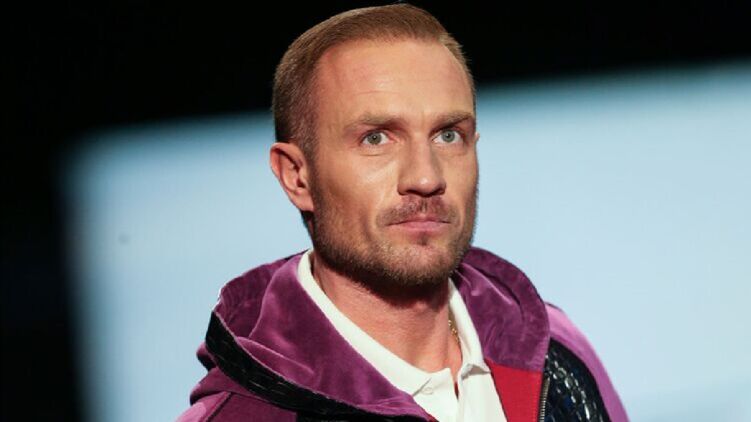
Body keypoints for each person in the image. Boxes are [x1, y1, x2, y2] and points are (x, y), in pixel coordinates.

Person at [178, 4, 628, 422]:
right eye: (376, 138)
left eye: (448, 135)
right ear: (297, 176)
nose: (426, 177)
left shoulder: (556, 351)